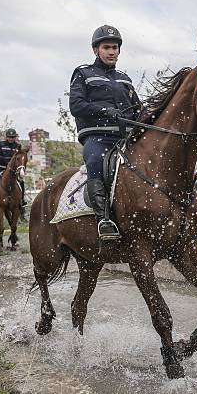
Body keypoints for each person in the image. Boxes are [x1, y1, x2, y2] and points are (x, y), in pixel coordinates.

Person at [69, 25, 141, 240]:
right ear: (96, 50)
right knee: (94, 161)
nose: (111, 51)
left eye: (115, 47)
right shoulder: (83, 73)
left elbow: (138, 109)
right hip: (98, 137)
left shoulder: (125, 78)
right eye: (106, 47)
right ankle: (103, 219)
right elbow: (76, 105)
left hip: (127, 138)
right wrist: (104, 110)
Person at [0, 128, 26, 208]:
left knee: (21, 182)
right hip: (0, 167)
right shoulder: (1, 144)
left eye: (13, 137)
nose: (11, 139)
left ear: (15, 137)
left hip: (12, 170)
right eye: (9, 137)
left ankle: (21, 200)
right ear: (6, 137)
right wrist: (7, 162)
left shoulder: (17, 146)